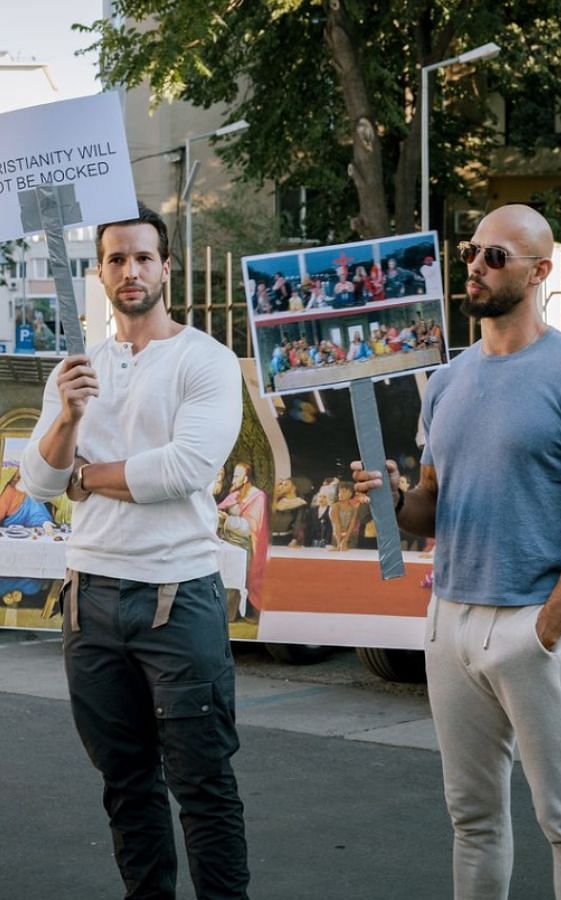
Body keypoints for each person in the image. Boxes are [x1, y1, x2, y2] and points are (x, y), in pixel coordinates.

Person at [352, 204, 561, 899]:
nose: (475, 266)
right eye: (471, 252)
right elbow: (433, 504)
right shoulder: (450, 380)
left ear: (541, 271)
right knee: (472, 818)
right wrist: (395, 499)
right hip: (450, 618)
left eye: (496, 256)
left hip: (532, 623)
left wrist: (549, 628)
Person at [19, 203, 249, 899]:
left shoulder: (203, 359)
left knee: (202, 785)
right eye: (117, 259)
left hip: (177, 600)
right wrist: (68, 417)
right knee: (125, 785)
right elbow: (37, 478)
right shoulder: (78, 368)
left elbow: (180, 471)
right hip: (90, 600)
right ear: (100, 272)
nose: (131, 270)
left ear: (167, 267)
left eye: (144, 257)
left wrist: (86, 476)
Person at [218, 461, 270, 620]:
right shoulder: (235, 494)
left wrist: (227, 520)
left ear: (246, 478)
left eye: (236, 476)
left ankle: (230, 614)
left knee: (233, 578)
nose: (233, 479)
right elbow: (220, 508)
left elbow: (250, 528)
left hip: (245, 547)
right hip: (227, 542)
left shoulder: (257, 497)